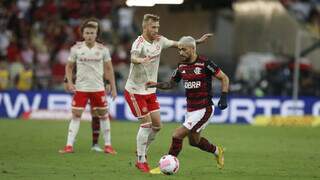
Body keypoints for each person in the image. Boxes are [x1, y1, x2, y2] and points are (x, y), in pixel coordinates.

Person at [124, 13, 212, 172]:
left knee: (157, 126)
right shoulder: (139, 43)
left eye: (157, 26)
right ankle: (141, 160)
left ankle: (141, 148)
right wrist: (141, 60)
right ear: (145, 27)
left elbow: (179, 44)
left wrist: (196, 42)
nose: (156, 29)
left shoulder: (160, 40)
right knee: (146, 124)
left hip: (150, 90)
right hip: (135, 91)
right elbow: (133, 57)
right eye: (153, 27)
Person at [146, 36, 229, 174]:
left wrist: (224, 96)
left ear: (192, 49)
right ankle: (217, 151)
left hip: (204, 108)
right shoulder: (181, 66)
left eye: (183, 49)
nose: (181, 52)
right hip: (191, 109)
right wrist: (156, 84)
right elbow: (171, 84)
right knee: (194, 142)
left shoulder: (205, 63)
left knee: (177, 135)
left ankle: (166, 166)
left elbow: (224, 78)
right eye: (179, 50)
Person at [59, 18, 117, 154]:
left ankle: (108, 145)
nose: (90, 35)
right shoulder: (76, 49)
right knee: (76, 115)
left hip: (98, 88)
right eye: (87, 33)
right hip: (81, 88)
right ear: (83, 34)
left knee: (103, 115)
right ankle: (69, 146)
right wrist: (69, 81)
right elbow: (69, 67)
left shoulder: (103, 49)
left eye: (92, 33)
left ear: (96, 34)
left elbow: (109, 69)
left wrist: (113, 87)